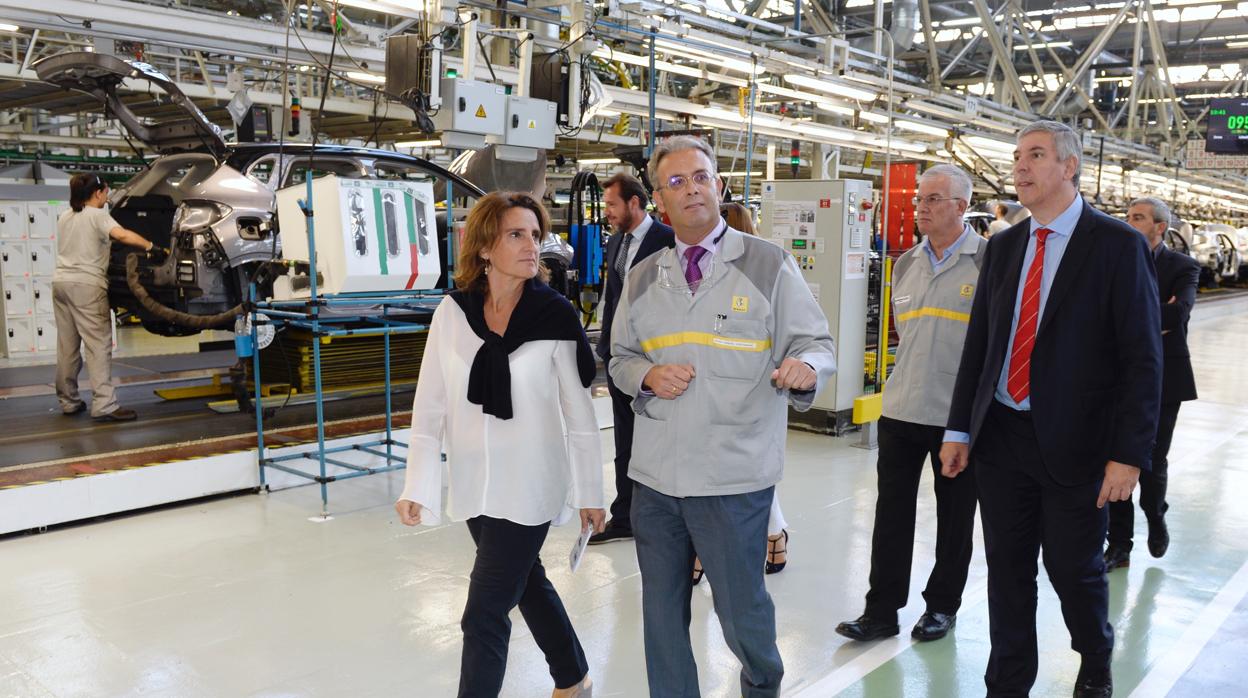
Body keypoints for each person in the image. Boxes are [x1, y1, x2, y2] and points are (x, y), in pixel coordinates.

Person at [940, 121, 1162, 698]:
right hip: (1003, 437)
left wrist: (1128, 456)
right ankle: (1008, 682)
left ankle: (1094, 655)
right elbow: (982, 347)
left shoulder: (1116, 245)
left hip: (1079, 444)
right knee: (1008, 573)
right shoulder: (1006, 246)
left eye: (1035, 155)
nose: (1021, 167)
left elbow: (1143, 360)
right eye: (1017, 157)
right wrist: (960, 427)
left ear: (1070, 166)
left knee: (1073, 570)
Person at [610, 135, 836, 697]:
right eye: (677, 182)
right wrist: (646, 376)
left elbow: (817, 342)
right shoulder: (642, 278)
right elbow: (618, 357)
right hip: (657, 479)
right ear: (660, 199)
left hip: (733, 478)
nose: (693, 190)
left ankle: (762, 688)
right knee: (661, 620)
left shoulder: (768, 264)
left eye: (702, 177)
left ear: (719, 184)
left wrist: (807, 366)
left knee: (742, 618)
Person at [394, 191, 604, 698]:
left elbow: (579, 417)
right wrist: (416, 483)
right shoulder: (453, 313)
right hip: (475, 483)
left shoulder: (554, 318)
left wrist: (591, 492)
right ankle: (573, 678)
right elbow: (431, 405)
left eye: (535, 235)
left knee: (484, 611)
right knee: (526, 581)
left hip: (531, 484)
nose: (532, 245)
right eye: (516, 234)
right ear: (484, 246)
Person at [835, 164, 983, 644]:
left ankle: (942, 607)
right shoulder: (906, 263)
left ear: (961, 206)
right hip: (900, 410)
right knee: (891, 517)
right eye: (921, 198)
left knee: (955, 520)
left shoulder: (988, 262)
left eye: (934, 199)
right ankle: (881, 611)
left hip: (956, 419)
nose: (921, 206)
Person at [1105, 197, 1200, 569]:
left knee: (1151, 460)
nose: (1130, 223)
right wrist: (1148, 318)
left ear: (1160, 227)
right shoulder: (1115, 261)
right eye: (1127, 217)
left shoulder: (1184, 266)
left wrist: (1126, 319)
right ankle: (1120, 545)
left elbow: (1177, 315)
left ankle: (1154, 512)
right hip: (1116, 377)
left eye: (1138, 218)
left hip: (1165, 379)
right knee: (1114, 457)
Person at [589, 173, 674, 546]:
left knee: (656, 439)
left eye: (612, 204)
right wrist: (606, 345)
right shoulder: (616, 242)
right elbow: (614, 297)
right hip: (620, 357)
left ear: (635, 204)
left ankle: (662, 516)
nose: (607, 212)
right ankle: (624, 515)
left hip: (655, 360)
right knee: (624, 438)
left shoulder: (667, 242)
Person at [54, 173, 166, 422]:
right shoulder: (98, 215)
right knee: (98, 345)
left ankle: (68, 400)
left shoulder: (65, 216)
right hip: (86, 286)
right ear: (97, 193)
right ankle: (105, 405)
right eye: (106, 191)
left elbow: (86, 243)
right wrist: (152, 247)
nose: (108, 196)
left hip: (61, 283)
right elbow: (123, 235)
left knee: (67, 346)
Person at [720, 200, 790, 576]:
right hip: (715, 390)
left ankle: (774, 531)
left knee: (753, 474)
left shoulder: (765, 271)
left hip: (754, 389)